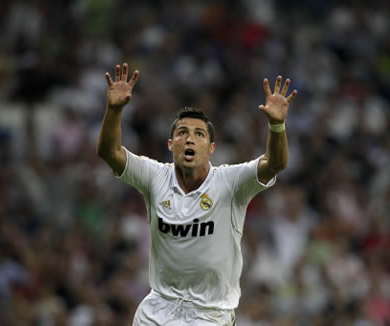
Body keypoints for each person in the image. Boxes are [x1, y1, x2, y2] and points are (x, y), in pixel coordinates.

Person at [96, 63, 297, 325]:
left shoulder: (231, 182)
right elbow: (109, 153)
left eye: (199, 134)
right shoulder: (155, 176)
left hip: (210, 314)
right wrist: (113, 111)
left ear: (211, 147)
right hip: (158, 309)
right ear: (171, 145)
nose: (189, 139)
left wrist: (277, 127)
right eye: (182, 133)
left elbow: (275, 163)